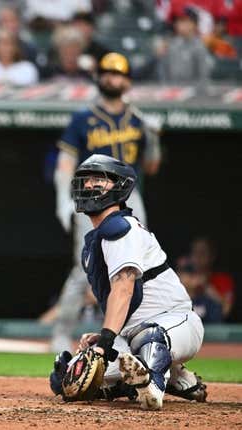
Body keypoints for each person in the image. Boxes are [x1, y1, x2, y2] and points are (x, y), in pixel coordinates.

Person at [49, 155, 206, 410]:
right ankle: (176, 378)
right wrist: (105, 337)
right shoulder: (94, 242)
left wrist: (104, 344)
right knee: (69, 379)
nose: (89, 185)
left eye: (99, 179)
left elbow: (124, 289)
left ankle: (154, 385)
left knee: (149, 337)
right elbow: (124, 304)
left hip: (175, 322)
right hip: (130, 335)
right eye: (86, 180)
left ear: (120, 187)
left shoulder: (121, 228)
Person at [50, 53, 162, 353]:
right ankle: (62, 333)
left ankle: (132, 335)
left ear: (126, 81)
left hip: (128, 199)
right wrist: (64, 197)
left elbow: (151, 166)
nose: (112, 78)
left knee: (135, 268)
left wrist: (153, 138)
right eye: (107, 73)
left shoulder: (137, 120)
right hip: (91, 198)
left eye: (118, 73)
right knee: (83, 267)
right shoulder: (83, 117)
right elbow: (65, 162)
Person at [156, 7, 212, 91]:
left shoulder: (200, 46)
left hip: (192, 94)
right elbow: (163, 73)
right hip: (171, 92)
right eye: (178, 22)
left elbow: (203, 77)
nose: (179, 24)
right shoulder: (170, 44)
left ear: (193, 24)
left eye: (184, 21)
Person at [188, 237, 235, 318]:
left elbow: (226, 310)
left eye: (202, 252)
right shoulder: (182, 279)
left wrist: (207, 288)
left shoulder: (222, 280)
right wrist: (190, 289)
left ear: (212, 256)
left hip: (214, 329)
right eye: (195, 252)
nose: (198, 257)